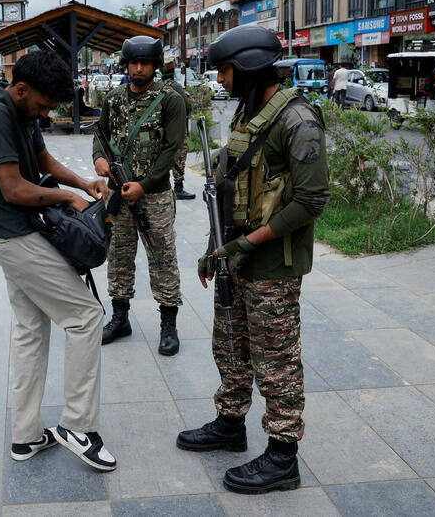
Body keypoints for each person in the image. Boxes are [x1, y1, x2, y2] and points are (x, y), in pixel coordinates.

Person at [177, 25, 329, 495]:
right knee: (231, 346)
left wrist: (247, 244)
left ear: (246, 67)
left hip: (271, 264)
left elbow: (311, 200)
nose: (220, 80)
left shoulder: (297, 119)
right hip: (236, 257)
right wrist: (215, 247)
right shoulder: (249, 111)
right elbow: (228, 186)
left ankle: (283, 456)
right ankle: (230, 423)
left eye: (224, 71)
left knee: (276, 359)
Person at [0, 50, 116, 472]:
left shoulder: (21, 110)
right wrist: (67, 196)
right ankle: (78, 426)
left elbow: (44, 161)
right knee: (86, 317)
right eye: (44, 106)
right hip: (17, 238)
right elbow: (14, 189)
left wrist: (83, 182)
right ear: (20, 88)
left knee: (31, 331)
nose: (46, 114)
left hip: (19, 234)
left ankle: (26, 434)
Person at [92, 36, 187, 356]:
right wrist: (99, 159)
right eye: (133, 62)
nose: (138, 68)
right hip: (119, 193)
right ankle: (120, 318)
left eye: (145, 63)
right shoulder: (114, 98)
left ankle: (169, 324)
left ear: (155, 65)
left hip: (154, 195)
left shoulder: (170, 100)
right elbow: (100, 135)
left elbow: (172, 149)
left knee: (162, 258)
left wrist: (144, 185)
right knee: (118, 256)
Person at [161, 60, 196, 201]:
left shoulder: (156, 86)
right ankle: (178, 188)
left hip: (160, 128)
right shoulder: (175, 86)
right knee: (180, 156)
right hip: (177, 127)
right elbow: (188, 106)